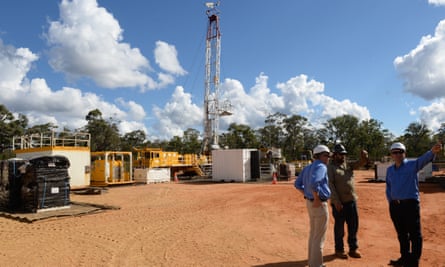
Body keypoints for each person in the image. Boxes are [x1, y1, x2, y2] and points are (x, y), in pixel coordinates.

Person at [386, 142, 442, 267]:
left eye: (400, 152)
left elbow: (424, 159)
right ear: (391, 155)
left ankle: (414, 260)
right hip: (395, 206)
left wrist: (432, 151)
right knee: (401, 233)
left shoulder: (412, 165)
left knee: (414, 233)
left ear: (404, 153)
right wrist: (390, 201)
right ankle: (405, 257)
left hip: (410, 205)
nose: (398, 154)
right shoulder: (390, 170)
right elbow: (388, 187)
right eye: (395, 152)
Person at [328, 144, 369, 259]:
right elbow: (330, 185)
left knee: (353, 226)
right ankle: (339, 250)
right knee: (339, 228)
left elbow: (360, 163)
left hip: (351, 201)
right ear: (335, 155)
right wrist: (335, 201)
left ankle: (353, 249)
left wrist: (364, 157)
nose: (343, 156)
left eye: (344, 154)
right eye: (341, 154)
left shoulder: (348, 164)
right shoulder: (330, 167)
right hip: (339, 203)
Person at [295, 145, 331, 267]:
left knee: (314, 234)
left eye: (328, 155)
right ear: (317, 156)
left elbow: (297, 184)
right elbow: (314, 183)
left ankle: (312, 262)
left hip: (310, 203)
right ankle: (316, 265)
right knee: (319, 236)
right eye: (325, 155)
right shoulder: (321, 166)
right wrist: (316, 198)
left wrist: (308, 195)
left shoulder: (308, 168)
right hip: (319, 203)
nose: (328, 158)